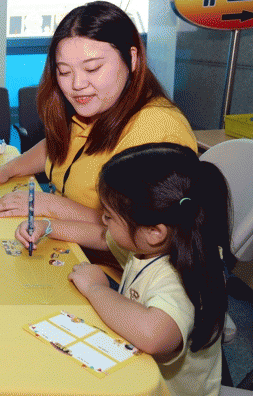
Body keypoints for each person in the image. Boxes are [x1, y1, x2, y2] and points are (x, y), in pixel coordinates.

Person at [16, 143, 229, 396]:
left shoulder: (180, 276)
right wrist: (47, 227)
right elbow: (99, 236)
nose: (103, 220)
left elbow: (153, 335)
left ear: (154, 232)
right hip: (134, 373)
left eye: (109, 216)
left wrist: (96, 289)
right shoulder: (159, 241)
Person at [0, 1, 197, 227]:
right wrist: (8, 169)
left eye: (92, 68)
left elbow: (137, 233)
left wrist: (49, 205)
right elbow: (57, 146)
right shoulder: (98, 109)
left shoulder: (158, 127)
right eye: (64, 72)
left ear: (132, 59)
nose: (77, 84)